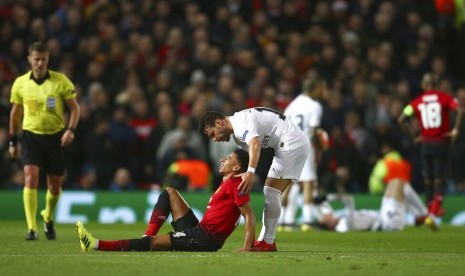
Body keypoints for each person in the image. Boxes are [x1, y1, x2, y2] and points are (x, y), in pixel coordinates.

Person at [76, 148, 256, 252]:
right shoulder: (227, 183)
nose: (224, 159)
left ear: (237, 166)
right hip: (200, 229)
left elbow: (248, 214)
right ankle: (147, 235)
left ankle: (95, 244)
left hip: (205, 239)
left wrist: (247, 246)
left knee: (151, 245)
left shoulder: (235, 183)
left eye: (229, 158)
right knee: (170, 192)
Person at [199, 107, 310, 251]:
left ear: (219, 122)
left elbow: (255, 144)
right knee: (271, 191)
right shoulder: (238, 137)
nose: (215, 139)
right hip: (285, 144)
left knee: (271, 191)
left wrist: (251, 172)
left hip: (291, 142)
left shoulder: (241, 122)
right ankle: (266, 241)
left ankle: (267, 242)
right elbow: (244, 161)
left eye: (213, 134)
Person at [9, 41, 80, 241]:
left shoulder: (60, 81)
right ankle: (31, 229)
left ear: (48, 60)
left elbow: (74, 108)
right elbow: (15, 114)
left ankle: (47, 216)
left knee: (55, 186)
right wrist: (13, 141)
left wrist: (70, 130)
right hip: (31, 136)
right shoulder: (20, 83)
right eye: (36, 59)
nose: (40, 63)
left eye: (43, 59)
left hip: (55, 137)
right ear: (29, 59)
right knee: (30, 177)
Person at [398, 73, 463, 217]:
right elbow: (460, 109)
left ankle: (428, 210)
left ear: (424, 85)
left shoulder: (417, 101)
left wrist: (414, 137)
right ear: (437, 84)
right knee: (439, 178)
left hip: (426, 144)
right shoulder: (444, 97)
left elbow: (402, 118)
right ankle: (434, 210)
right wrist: (455, 131)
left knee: (428, 179)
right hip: (441, 143)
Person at [313, 158, 438, 232]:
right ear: (329, 224)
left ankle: (420, 214)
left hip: (384, 215)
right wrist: (327, 197)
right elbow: (348, 199)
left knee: (394, 182)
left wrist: (321, 200)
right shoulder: (343, 225)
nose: (327, 214)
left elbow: (323, 206)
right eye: (324, 217)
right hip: (388, 223)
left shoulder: (340, 218)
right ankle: (423, 213)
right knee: (399, 182)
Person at [279, 75, 327, 232]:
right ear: (314, 88)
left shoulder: (292, 105)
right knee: (308, 183)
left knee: (288, 184)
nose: (323, 91)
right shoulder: (314, 106)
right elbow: (313, 132)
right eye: (321, 88)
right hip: (303, 145)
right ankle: (307, 220)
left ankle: (282, 222)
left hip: (287, 146)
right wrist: (320, 146)